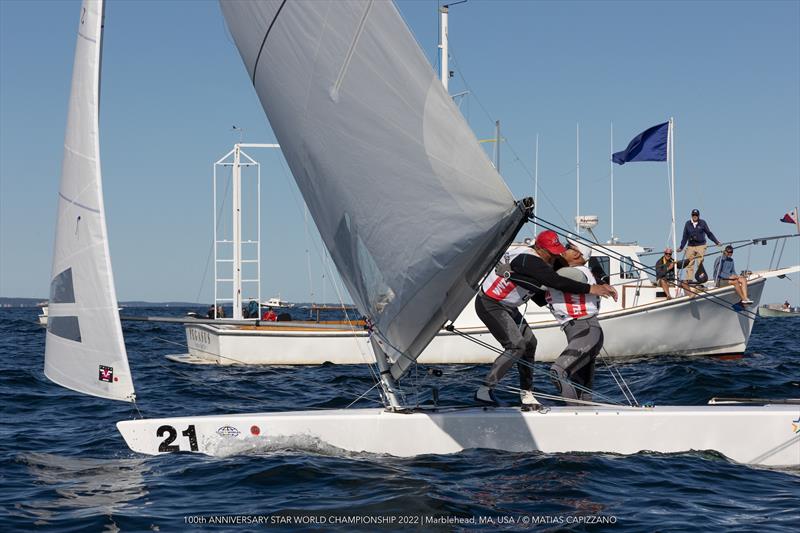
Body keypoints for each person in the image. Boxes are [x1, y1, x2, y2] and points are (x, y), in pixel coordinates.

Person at [474, 230, 618, 408]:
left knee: (530, 344)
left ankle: (526, 395)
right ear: (539, 248)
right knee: (517, 345)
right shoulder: (527, 259)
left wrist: (602, 281)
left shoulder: (545, 258)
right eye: (551, 252)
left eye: (557, 249)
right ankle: (484, 391)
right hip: (490, 303)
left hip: (508, 307)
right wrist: (591, 289)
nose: (555, 255)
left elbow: (583, 267)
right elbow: (555, 282)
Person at [545, 238, 605, 405]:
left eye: (567, 247)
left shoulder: (573, 272)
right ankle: (583, 420)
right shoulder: (579, 272)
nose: (563, 250)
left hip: (585, 331)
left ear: (577, 253)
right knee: (583, 390)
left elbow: (543, 281)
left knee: (557, 373)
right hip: (583, 332)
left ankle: (573, 415)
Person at [677, 209, 721, 283]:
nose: (695, 216)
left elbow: (709, 233)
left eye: (696, 215)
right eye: (693, 215)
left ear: (698, 216)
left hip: (701, 245)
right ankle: (689, 279)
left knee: (700, 262)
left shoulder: (702, 223)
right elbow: (685, 236)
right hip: (691, 246)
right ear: (691, 215)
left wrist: (716, 242)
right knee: (689, 262)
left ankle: (700, 277)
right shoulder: (687, 224)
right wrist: (681, 247)